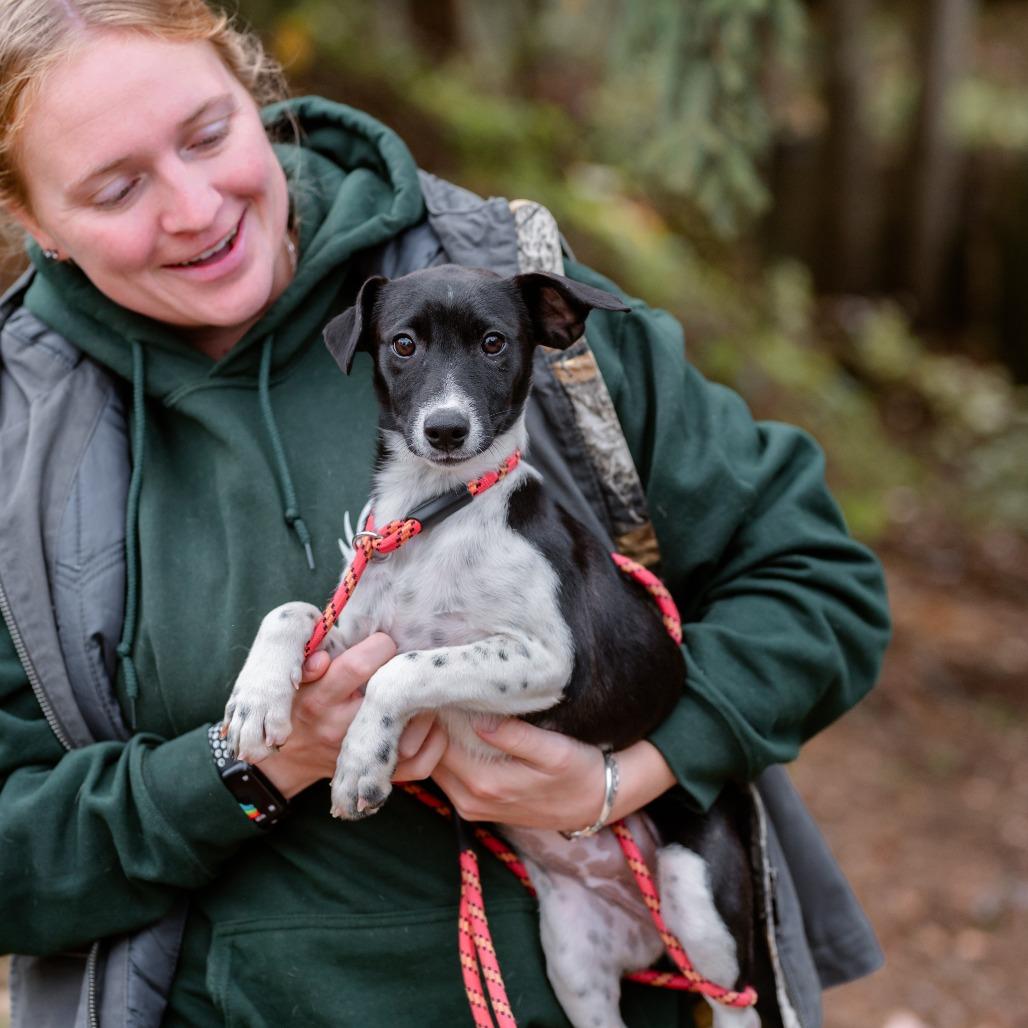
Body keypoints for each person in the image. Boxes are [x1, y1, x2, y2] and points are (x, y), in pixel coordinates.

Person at [0, 2, 891, 1025]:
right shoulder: (17, 447)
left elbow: (816, 583)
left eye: (209, 134)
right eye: (117, 187)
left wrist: (618, 777)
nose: (196, 208)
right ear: (37, 223)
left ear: (258, 98)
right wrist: (257, 764)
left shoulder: (498, 292)